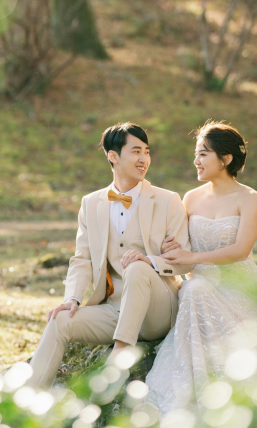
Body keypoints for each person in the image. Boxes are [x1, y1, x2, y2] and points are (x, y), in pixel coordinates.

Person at [29, 122, 191, 389]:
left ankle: (120, 355)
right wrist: (71, 298)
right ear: (113, 156)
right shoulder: (91, 203)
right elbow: (82, 259)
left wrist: (148, 260)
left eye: (147, 152)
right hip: (113, 309)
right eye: (136, 151)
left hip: (157, 310)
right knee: (59, 320)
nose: (144, 159)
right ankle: (27, 400)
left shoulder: (167, 200)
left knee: (137, 268)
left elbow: (182, 259)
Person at [145, 120, 257, 415]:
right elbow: (179, 244)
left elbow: (241, 250)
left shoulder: (249, 198)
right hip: (199, 284)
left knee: (195, 289)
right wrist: (169, 249)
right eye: (196, 154)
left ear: (225, 159)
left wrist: (191, 258)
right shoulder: (191, 198)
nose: (195, 161)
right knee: (195, 288)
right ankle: (193, 392)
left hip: (238, 286)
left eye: (203, 154)